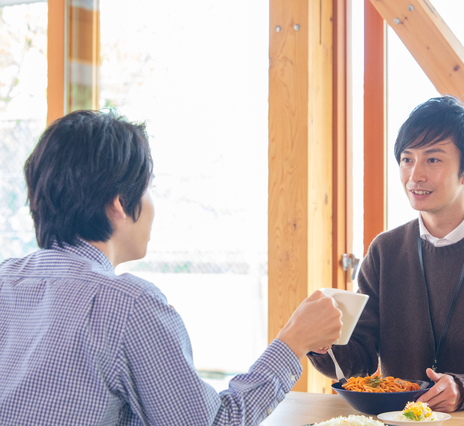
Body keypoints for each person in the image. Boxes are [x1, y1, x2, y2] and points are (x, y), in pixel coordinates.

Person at [0, 110, 343, 426]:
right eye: (147, 187)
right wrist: (293, 342)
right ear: (119, 203)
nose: (152, 203)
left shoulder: (5, 281)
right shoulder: (130, 303)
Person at [309, 96, 464, 412]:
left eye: (433, 160)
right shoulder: (384, 252)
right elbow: (359, 362)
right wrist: (321, 343)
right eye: (407, 159)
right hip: (400, 420)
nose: (414, 176)